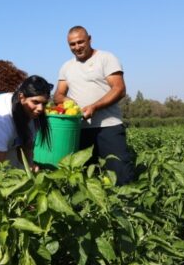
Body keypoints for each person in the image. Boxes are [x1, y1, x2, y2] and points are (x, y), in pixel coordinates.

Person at [53, 25, 134, 184]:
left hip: (108, 127)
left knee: (120, 175)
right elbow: (58, 95)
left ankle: (126, 200)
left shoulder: (106, 58)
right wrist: (68, 101)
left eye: (80, 42)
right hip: (80, 130)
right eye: (72, 44)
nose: (77, 47)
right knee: (85, 179)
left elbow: (119, 89)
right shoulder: (66, 67)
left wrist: (94, 107)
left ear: (89, 39)